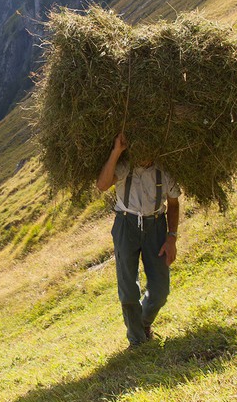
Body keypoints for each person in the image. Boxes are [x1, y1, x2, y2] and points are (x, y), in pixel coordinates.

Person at [96, 132, 180, 347]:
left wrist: (171, 237)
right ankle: (137, 341)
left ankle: (142, 321)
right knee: (128, 287)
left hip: (156, 226)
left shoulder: (165, 171)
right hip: (126, 225)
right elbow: (102, 184)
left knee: (161, 291)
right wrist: (116, 151)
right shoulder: (125, 168)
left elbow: (174, 203)